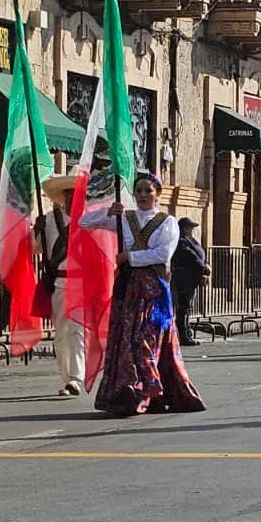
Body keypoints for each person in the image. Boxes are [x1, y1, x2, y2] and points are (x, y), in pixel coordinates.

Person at [81, 171, 205, 416]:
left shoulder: (167, 222)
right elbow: (83, 222)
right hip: (128, 289)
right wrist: (108, 211)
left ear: (157, 193)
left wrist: (130, 257)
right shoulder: (124, 218)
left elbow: (162, 254)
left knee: (146, 340)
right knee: (126, 338)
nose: (143, 195)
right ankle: (132, 389)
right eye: (138, 191)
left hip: (154, 290)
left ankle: (151, 388)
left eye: (148, 190)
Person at [37, 175, 86, 395]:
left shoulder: (90, 220)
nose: (73, 199)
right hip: (59, 281)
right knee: (61, 332)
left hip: (83, 282)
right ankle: (67, 376)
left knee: (77, 330)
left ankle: (76, 378)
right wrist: (36, 231)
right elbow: (33, 247)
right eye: (69, 194)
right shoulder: (48, 220)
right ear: (63, 197)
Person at [171, 217, 210, 347]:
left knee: (187, 307)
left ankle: (187, 333)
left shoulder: (190, 240)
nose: (191, 230)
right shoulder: (181, 241)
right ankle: (184, 335)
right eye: (189, 227)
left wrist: (204, 267)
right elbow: (190, 256)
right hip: (184, 277)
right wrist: (203, 267)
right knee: (184, 307)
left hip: (192, 277)